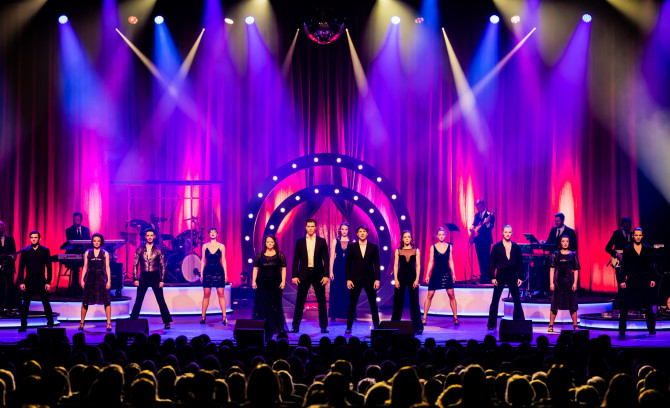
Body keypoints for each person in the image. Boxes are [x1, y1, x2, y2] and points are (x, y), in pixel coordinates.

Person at [290, 219, 330, 334]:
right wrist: (294, 275)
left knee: (321, 301)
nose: (311, 228)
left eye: (312, 226)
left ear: (316, 227)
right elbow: (296, 260)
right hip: (303, 274)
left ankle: (323, 326)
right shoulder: (300, 242)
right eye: (309, 226)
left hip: (318, 274)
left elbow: (326, 259)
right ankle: (295, 326)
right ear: (305, 227)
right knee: (300, 301)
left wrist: (326, 275)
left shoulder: (322, 241)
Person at [130, 229, 173, 329]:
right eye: (148, 235)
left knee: (160, 299)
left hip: (155, 276)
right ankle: (133, 320)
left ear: (154, 237)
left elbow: (162, 266)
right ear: (145, 237)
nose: (149, 237)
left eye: (151, 235)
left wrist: (162, 279)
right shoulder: (139, 249)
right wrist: (135, 278)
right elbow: (135, 264)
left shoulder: (158, 250)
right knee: (139, 299)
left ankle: (167, 321)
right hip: (143, 276)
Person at [618, 228, 657, 336]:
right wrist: (622, 280)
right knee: (625, 305)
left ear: (642, 236)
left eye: (640, 235)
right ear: (633, 236)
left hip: (644, 280)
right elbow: (623, 266)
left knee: (648, 305)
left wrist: (652, 278)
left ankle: (651, 329)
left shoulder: (647, 249)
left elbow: (651, 265)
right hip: (631, 279)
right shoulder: (627, 249)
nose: (638, 237)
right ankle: (622, 329)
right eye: (636, 235)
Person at [487, 225, 525, 330]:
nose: (507, 234)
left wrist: (520, 277)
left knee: (517, 299)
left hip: (512, 274)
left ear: (511, 233)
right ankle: (491, 324)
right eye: (506, 232)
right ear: (502, 233)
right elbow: (492, 262)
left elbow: (520, 263)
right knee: (495, 299)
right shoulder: (496, 247)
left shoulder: (516, 247)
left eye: (509, 232)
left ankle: (519, 323)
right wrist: (492, 276)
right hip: (501, 274)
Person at [345, 225, 381, 334]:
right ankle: (349, 327)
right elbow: (348, 264)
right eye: (360, 231)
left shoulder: (373, 247)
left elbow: (377, 264)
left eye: (364, 231)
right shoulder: (352, 247)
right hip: (355, 279)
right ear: (357, 233)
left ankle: (376, 326)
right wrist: (348, 279)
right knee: (352, 304)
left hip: (370, 279)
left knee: (373, 304)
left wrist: (377, 279)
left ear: (367, 233)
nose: (362, 233)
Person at [17, 231, 54, 332]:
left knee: (45, 302)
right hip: (29, 279)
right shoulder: (25, 251)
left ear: (39, 238)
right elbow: (21, 267)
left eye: (35, 237)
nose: (33, 239)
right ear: (29, 239)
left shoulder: (45, 250)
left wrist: (48, 282)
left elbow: (49, 267)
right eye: (32, 237)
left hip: (41, 279)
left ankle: (50, 323)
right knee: (26, 303)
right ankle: (23, 325)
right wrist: (21, 282)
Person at [252, 234, 287, 339]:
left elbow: (283, 269)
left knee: (275, 305)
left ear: (275, 242)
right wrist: (254, 281)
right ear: (265, 243)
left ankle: (275, 326)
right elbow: (255, 268)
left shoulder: (280, 255)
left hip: (276, 284)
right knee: (263, 305)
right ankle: (264, 326)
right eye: (268, 242)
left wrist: (283, 282)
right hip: (262, 284)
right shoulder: (259, 255)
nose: (270, 244)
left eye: (271, 242)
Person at [423, 227, 458, 325]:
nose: (441, 236)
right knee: (430, 295)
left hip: (446, 272)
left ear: (445, 235)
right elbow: (430, 261)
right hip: (435, 273)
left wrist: (454, 273)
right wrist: (427, 275)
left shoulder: (449, 247)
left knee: (451, 294)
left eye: (443, 234)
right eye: (439, 234)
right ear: (437, 236)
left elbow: (451, 260)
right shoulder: (433, 247)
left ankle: (455, 318)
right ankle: (424, 317)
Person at [391, 231, 423, 334]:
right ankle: (394, 325)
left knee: (414, 302)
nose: (407, 238)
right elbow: (396, 266)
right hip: (401, 276)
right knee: (398, 301)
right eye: (405, 237)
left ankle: (417, 326)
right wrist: (396, 279)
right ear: (402, 239)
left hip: (412, 276)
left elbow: (418, 266)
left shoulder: (416, 250)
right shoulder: (398, 251)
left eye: (409, 237)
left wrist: (417, 279)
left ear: (411, 239)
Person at [79, 233, 112, 331]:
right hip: (90, 278)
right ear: (92, 242)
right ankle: (82, 323)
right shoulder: (87, 253)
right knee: (85, 301)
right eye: (94, 241)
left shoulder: (105, 253)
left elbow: (107, 267)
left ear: (101, 242)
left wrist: (109, 281)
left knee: (106, 301)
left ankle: (109, 323)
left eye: (98, 241)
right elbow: (85, 267)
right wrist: (82, 279)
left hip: (102, 278)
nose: (96, 243)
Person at [548, 235, 580, 332]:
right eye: (563, 241)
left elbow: (576, 269)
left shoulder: (573, 255)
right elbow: (552, 269)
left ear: (569, 243)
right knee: (554, 305)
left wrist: (575, 283)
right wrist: (551, 283)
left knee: (572, 305)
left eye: (567, 241)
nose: (565, 243)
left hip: (569, 283)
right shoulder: (555, 254)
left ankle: (575, 325)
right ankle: (551, 326)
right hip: (558, 283)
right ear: (560, 243)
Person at [200, 227, 228, 325]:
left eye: (214, 232)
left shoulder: (221, 246)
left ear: (217, 234)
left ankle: (224, 317)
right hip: (207, 272)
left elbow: (223, 260)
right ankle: (203, 317)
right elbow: (203, 260)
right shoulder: (205, 246)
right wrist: (201, 273)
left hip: (219, 272)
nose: (212, 233)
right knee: (206, 294)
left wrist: (226, 274)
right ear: (208, 234)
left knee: (221, 294)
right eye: (211, 232)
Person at [605, 217, 632, 308]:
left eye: (628, 224)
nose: (627, 226)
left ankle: (629, 302)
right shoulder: (617, 234)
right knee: (621, 281)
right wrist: (617, 254)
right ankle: (621, 304)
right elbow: (607, 248)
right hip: (619, 261)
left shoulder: (632, 235)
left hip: (629, 262)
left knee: (630, 281)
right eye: (625, 224)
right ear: (622, 225)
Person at [329, 222, 352, 321]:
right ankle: (334, 314)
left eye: (346, 229)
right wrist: (331, 271)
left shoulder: (352, 242)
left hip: (348, 268)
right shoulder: (335, 241)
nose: (344, 231)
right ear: (340, 230)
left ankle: (349, 315)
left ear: (348, 230)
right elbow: (332, 257)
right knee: (336, 291)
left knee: (347, 291)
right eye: (342, 229)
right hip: (337, 268)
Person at [65, 211, 91, 297]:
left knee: (88, 266)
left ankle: (86, 288)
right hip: (74, 254)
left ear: (80, 220)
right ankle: (76, 289)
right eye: (74, 220)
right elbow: (71, 242)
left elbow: (88, 242)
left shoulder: (86, 230)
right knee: (75, 268)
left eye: (77, 220)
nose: (75, 222)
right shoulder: (69, 230)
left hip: (84, 254)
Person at [470, 199, 495, 283]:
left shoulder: (489, 215)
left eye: (480, 207)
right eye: (477, 207)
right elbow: (474, 224)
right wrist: (472, 227)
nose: (479, 209)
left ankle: (489, 277)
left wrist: (487, 223)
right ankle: (483, 277)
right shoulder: (477, 215)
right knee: (480, 258)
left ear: (483, 206)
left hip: (486, 240)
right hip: (478, 240)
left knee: (487, 258)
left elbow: (490, 227)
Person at [0, 220, 18, 315]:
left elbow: (14, 252)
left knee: (10, 285)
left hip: (9, 266)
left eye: (2, 227)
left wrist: (12, 257)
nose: (1, 229)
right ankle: (1, 306)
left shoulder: (10, 239)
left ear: (4, 228)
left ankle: (11, 306)